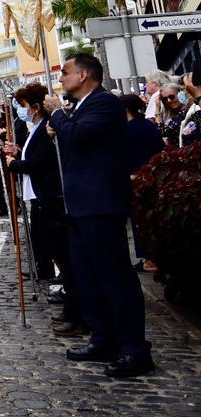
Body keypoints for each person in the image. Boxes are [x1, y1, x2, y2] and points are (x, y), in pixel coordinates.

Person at [48, 53, 153, 378]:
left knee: (114, 277)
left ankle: (135, 349)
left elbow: (78, 136)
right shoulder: (80, 107)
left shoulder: (105, 103)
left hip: (101, 205)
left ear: (83, 75)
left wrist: (56, 117)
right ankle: (103, 337)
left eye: (65, 73)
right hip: (80, 207)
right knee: (88, 277)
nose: (62, 79)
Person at [3, 83, 82, 337]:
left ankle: (77, 310)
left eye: (24, 106)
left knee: (63, 257)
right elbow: (32, 157)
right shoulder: (35, 128)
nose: (22, 111)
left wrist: (15, 164)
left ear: (35, 107)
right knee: (51, 250)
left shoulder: (48, 126)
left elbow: (39, 163)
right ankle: (71, 304)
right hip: (38, 197)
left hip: (48, 198)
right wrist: (17, 153)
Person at [118, 94, 165, 275]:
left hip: (137, 178)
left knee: (140, 220)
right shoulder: (147, 125)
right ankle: (151, 257)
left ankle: (149, 258)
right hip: (152, 176)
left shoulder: (128, 130)